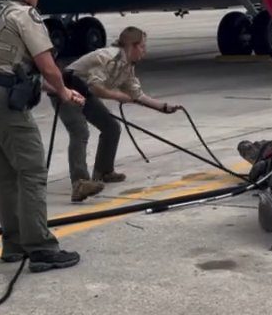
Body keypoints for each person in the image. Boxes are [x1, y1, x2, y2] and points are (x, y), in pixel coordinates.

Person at [0, 0, 86, 272]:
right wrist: (63, 90)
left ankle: (13, 244)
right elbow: (46, 65)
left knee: (3, 175)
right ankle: (42, 248)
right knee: (31, 171)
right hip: (1, 101)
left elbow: (8, 66)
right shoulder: (25, 15)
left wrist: (61, 91)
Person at [57, 26, 180, 202]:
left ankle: (104, 171)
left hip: (85, 93)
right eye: (143, 46)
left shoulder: (127, 66)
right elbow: (95, 86)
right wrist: (118, 96)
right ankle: (80, 183)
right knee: (79, 131)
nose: (145, 51)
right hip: (66, 90)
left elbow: (136, 95)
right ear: (132, 45)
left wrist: (163, 107)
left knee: (111, 127)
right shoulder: (108, 57)